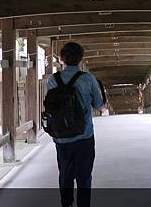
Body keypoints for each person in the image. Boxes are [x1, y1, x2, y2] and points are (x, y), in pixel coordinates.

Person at [47, 42, 104, 207]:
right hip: (84, 135)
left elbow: (51, 105)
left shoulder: (53, 79)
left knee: (65, 175)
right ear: (81, 59)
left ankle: (66, 204)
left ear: (62, 58)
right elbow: (98, 104)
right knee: (84, 176)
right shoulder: (87, 78)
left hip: (61, 137)